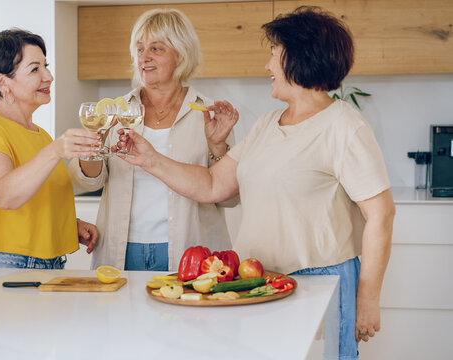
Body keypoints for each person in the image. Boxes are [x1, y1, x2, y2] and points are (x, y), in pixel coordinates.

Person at [116, 6, 395, 359]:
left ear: (298, 57)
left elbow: (381, 215)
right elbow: (213, 185)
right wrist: (149, 158)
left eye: (273, 54)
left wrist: (367, 298)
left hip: (322, 281)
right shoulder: (267, 123)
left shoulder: (344, 126)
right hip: (261, 282)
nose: (267, 66)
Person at [68, 8, 237, 271]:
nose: (144, 58)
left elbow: (228, 197)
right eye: (139, 49)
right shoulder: (115, 110)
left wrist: (217, 148)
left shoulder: (208, 113)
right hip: (122, 249)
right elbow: (89, 181)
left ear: (181, 54)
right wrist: (94, 142)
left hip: (192, 251)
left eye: (156, 49)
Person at [0, 29, 100, 269]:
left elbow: (35, 198)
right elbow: (5, 195)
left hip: (45, 263)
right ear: (3, 82)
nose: (49, 76)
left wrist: (69, 224)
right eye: (35, 69)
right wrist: (56, 150)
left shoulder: (40, 135)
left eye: (46, 66)